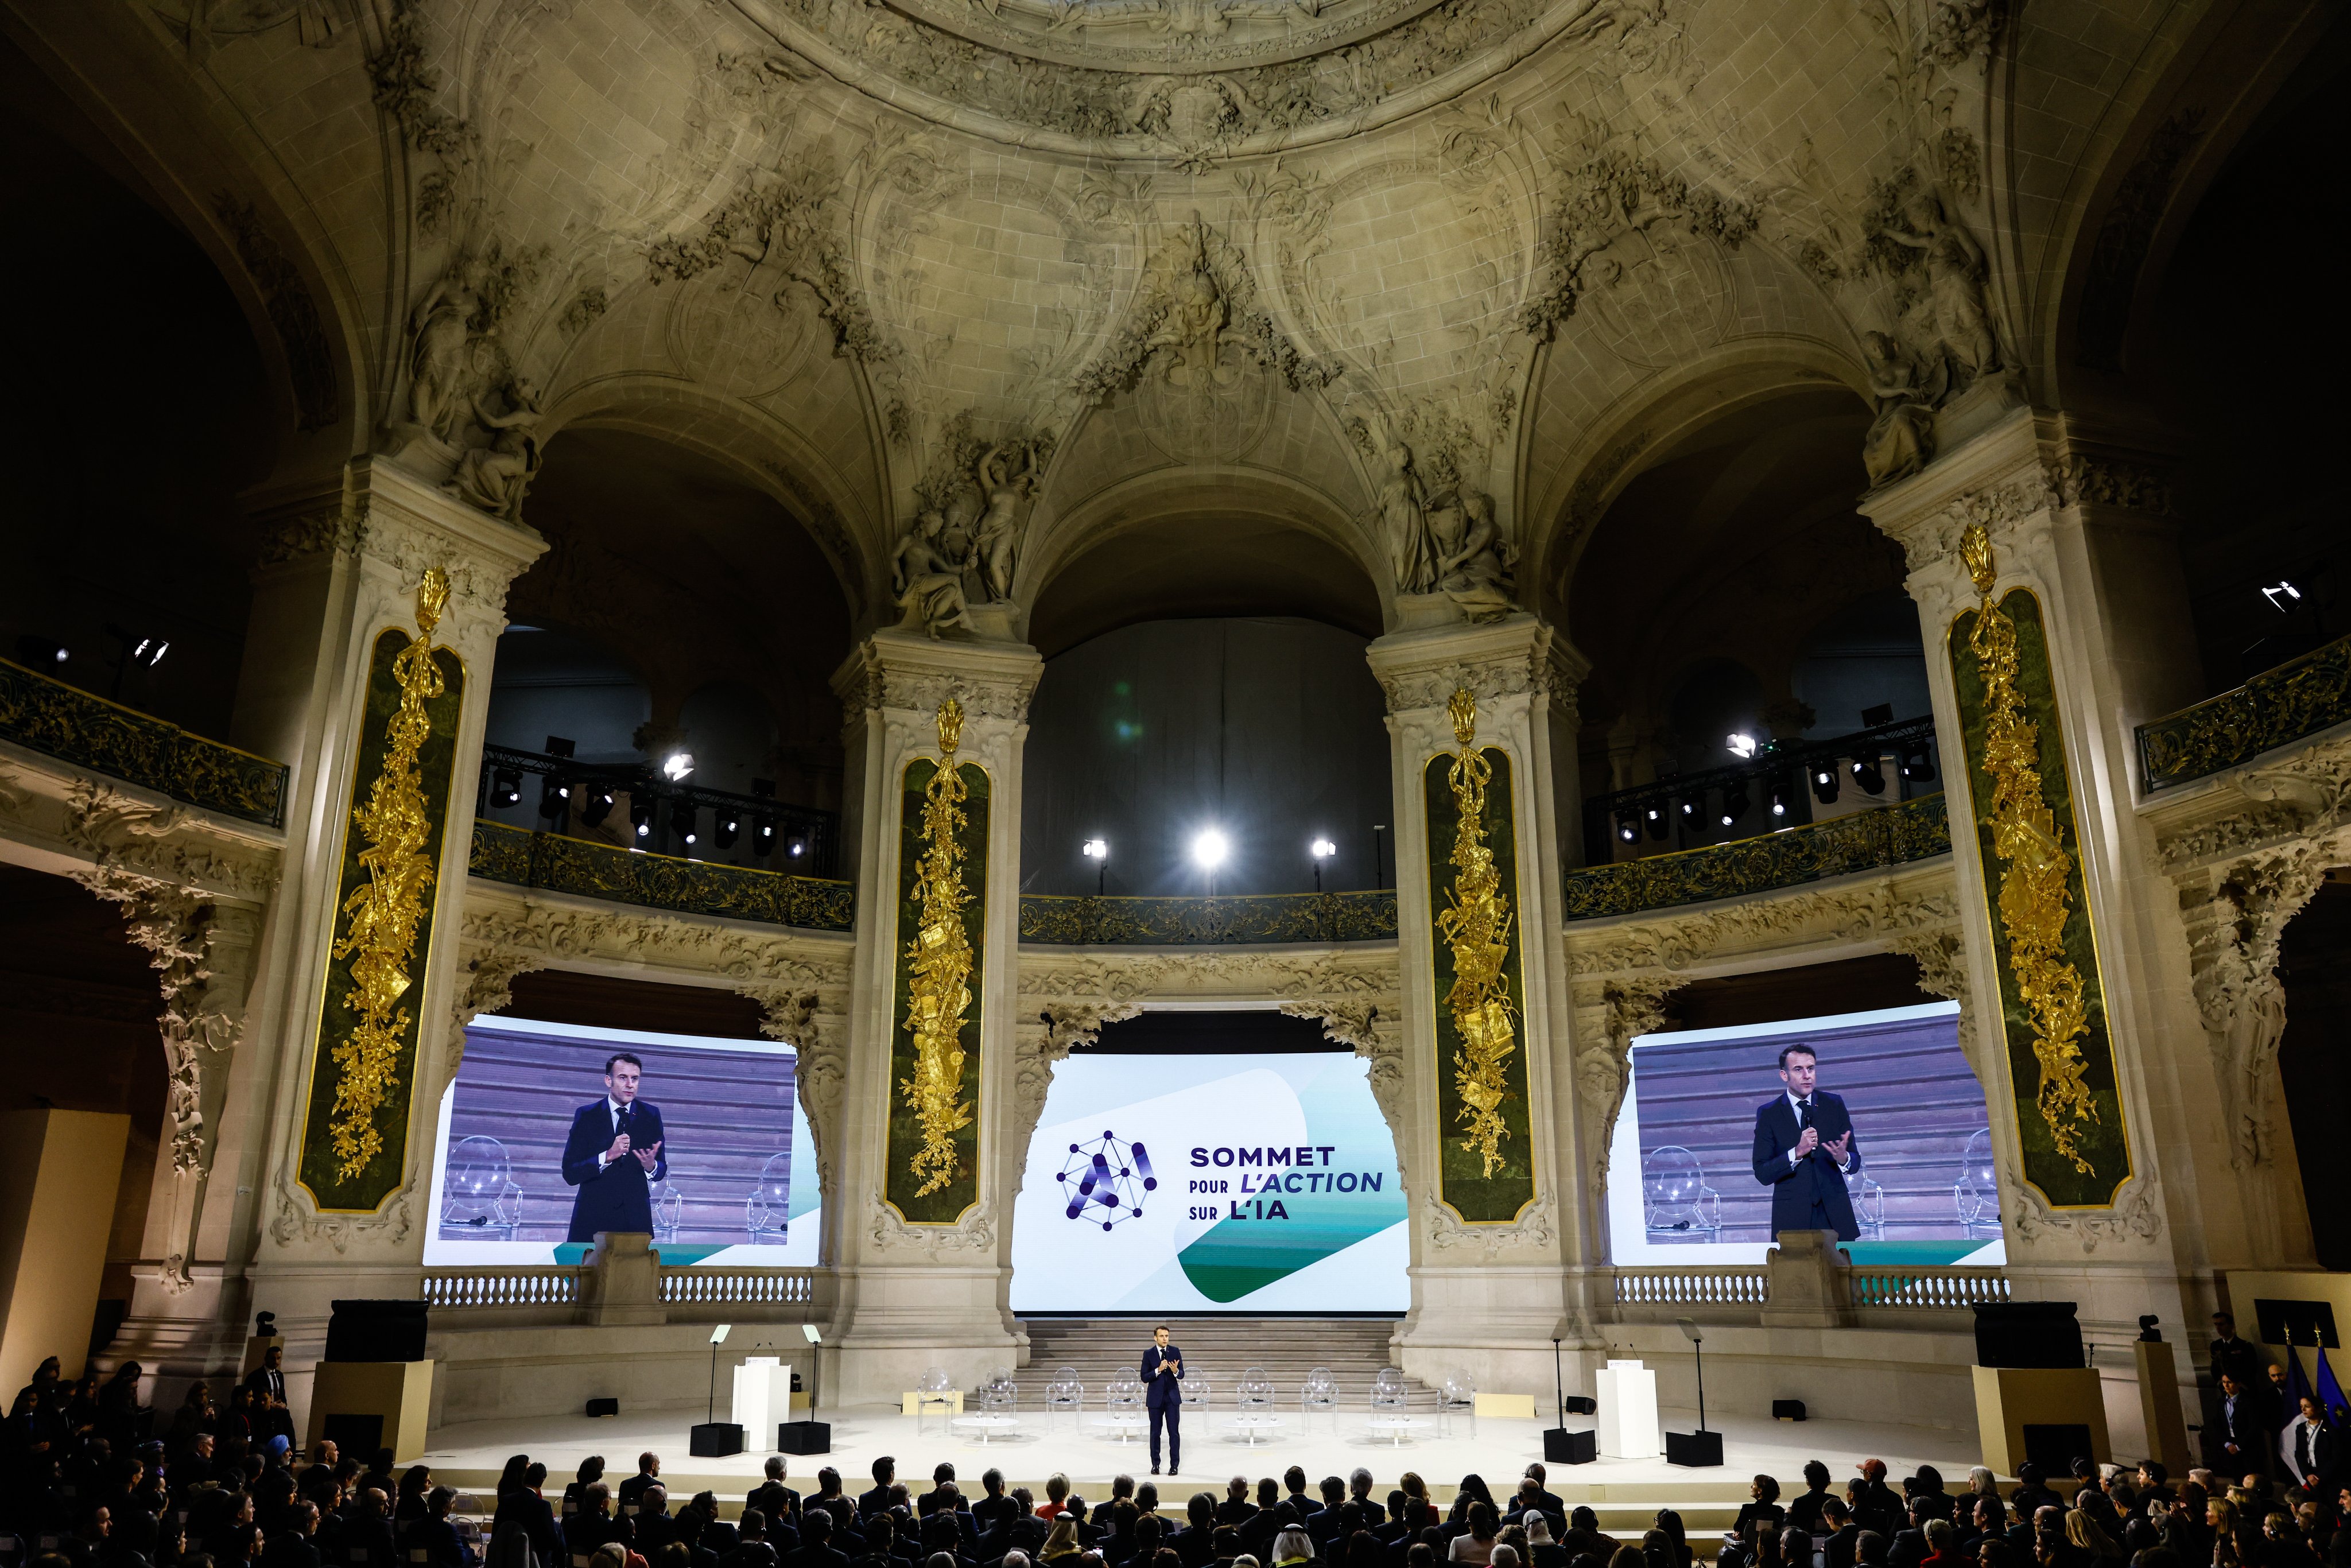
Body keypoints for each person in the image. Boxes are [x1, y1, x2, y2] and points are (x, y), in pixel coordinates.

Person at [1749, 1045, 1863, 1241]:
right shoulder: (1769, 1114)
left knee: (1841, 1271)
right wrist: (1797, 1152)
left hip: (1835, 1215)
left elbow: (1855, 1161)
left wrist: (1843, 1158)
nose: (1807, 1075)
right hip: (1792, 1218)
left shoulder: (1833, 1104)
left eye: (1811, 1068)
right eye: (1798, 1070)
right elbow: (1762, 1173)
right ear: (1784, 1075)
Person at [560, 1053, 670, 1244]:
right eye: (623, 1077)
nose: (630, 1084)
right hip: (592, 1220)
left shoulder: (650, 1115)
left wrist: (651, 1166)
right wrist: (607, 1156)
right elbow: (570, 1173)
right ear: (608, 1081)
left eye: (635, 1079)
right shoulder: (587, 1115)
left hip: (635, 1222)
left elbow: (661, 1169)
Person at [1142, 1329, 1184, 1479]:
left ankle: (1174, 1465)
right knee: (1155, 1433)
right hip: (1155, 1399)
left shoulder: (1175, 1351)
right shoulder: (1148, 1354)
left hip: (1172, 1399)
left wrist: (1175, 1371)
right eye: (1162, 1336)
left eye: (1167, 1336)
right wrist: (1158, 1370)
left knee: (1174, 1433)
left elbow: (1182, 1374)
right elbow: (1144, 1377)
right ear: (1155, 1338)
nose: (1165, 1339)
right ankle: (1156, 1464)